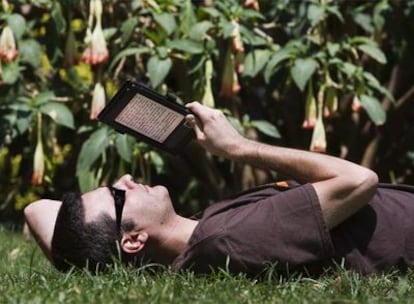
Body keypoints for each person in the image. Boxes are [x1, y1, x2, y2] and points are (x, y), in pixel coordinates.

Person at [24, 102, 414, 277]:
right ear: (133, 241)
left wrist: (84, 251)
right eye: (117, 193)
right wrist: (239, 147)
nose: (126, 179)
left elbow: (35, 209)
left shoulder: (197, 238)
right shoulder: (230, 239)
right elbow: (360, 181)